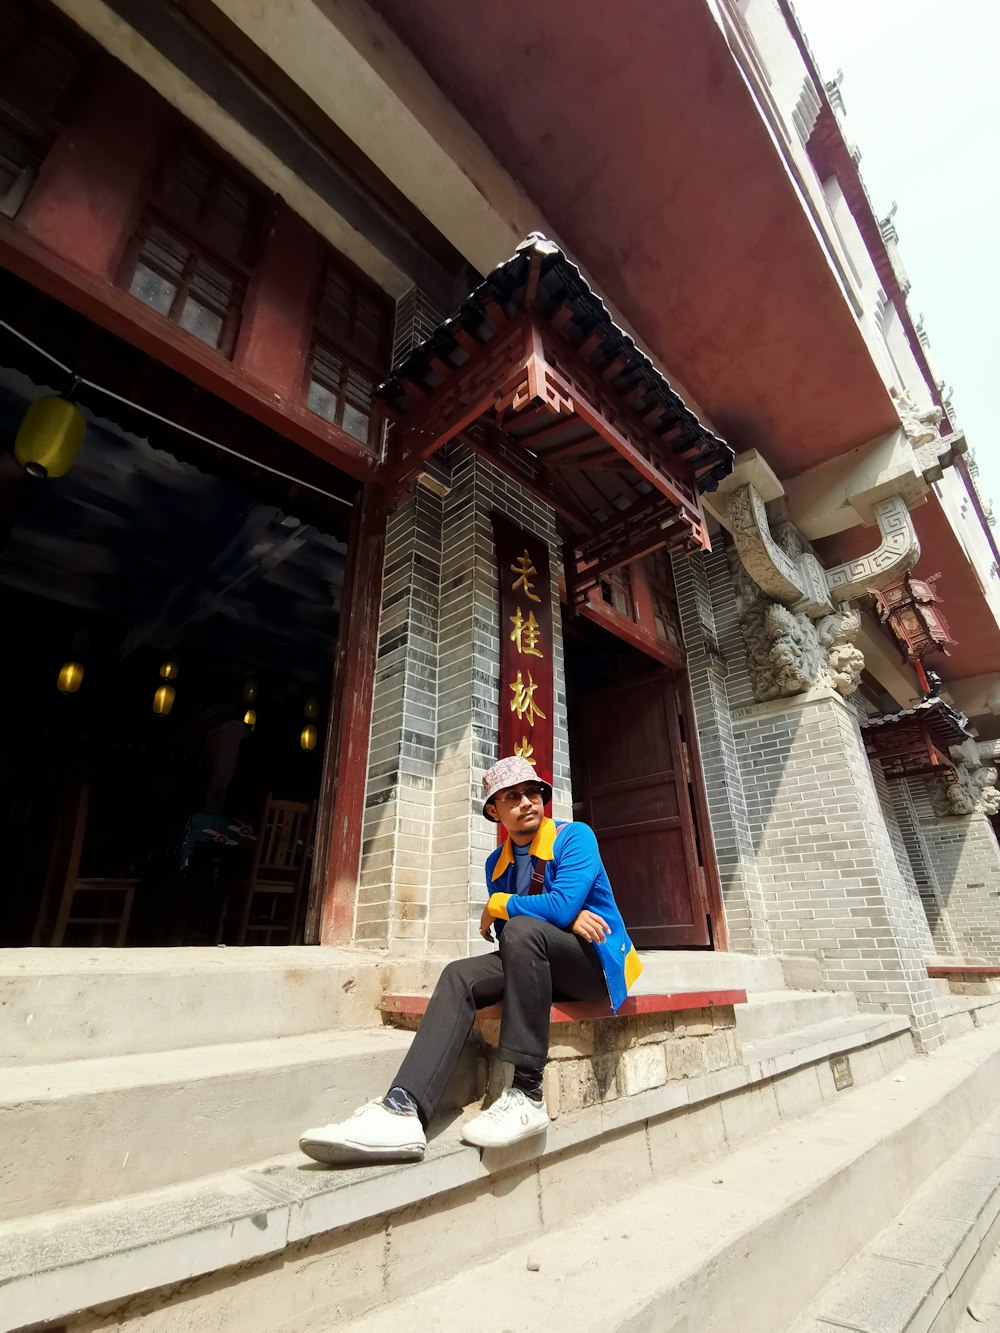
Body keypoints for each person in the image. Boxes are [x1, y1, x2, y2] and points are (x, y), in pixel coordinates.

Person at [299, 756, 642, 1163]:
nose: (527, 802)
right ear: (494, 811)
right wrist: (551, 914)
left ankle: (526, 1095)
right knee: (460, 975)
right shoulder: (495, 864)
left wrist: (509, 905)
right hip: (540, 954)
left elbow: (558, 908)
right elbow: (521, 932)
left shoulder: (574, 837)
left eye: (533, 793)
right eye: (512, 797)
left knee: (522, 928)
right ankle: (403, 1107)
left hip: (595, 964)